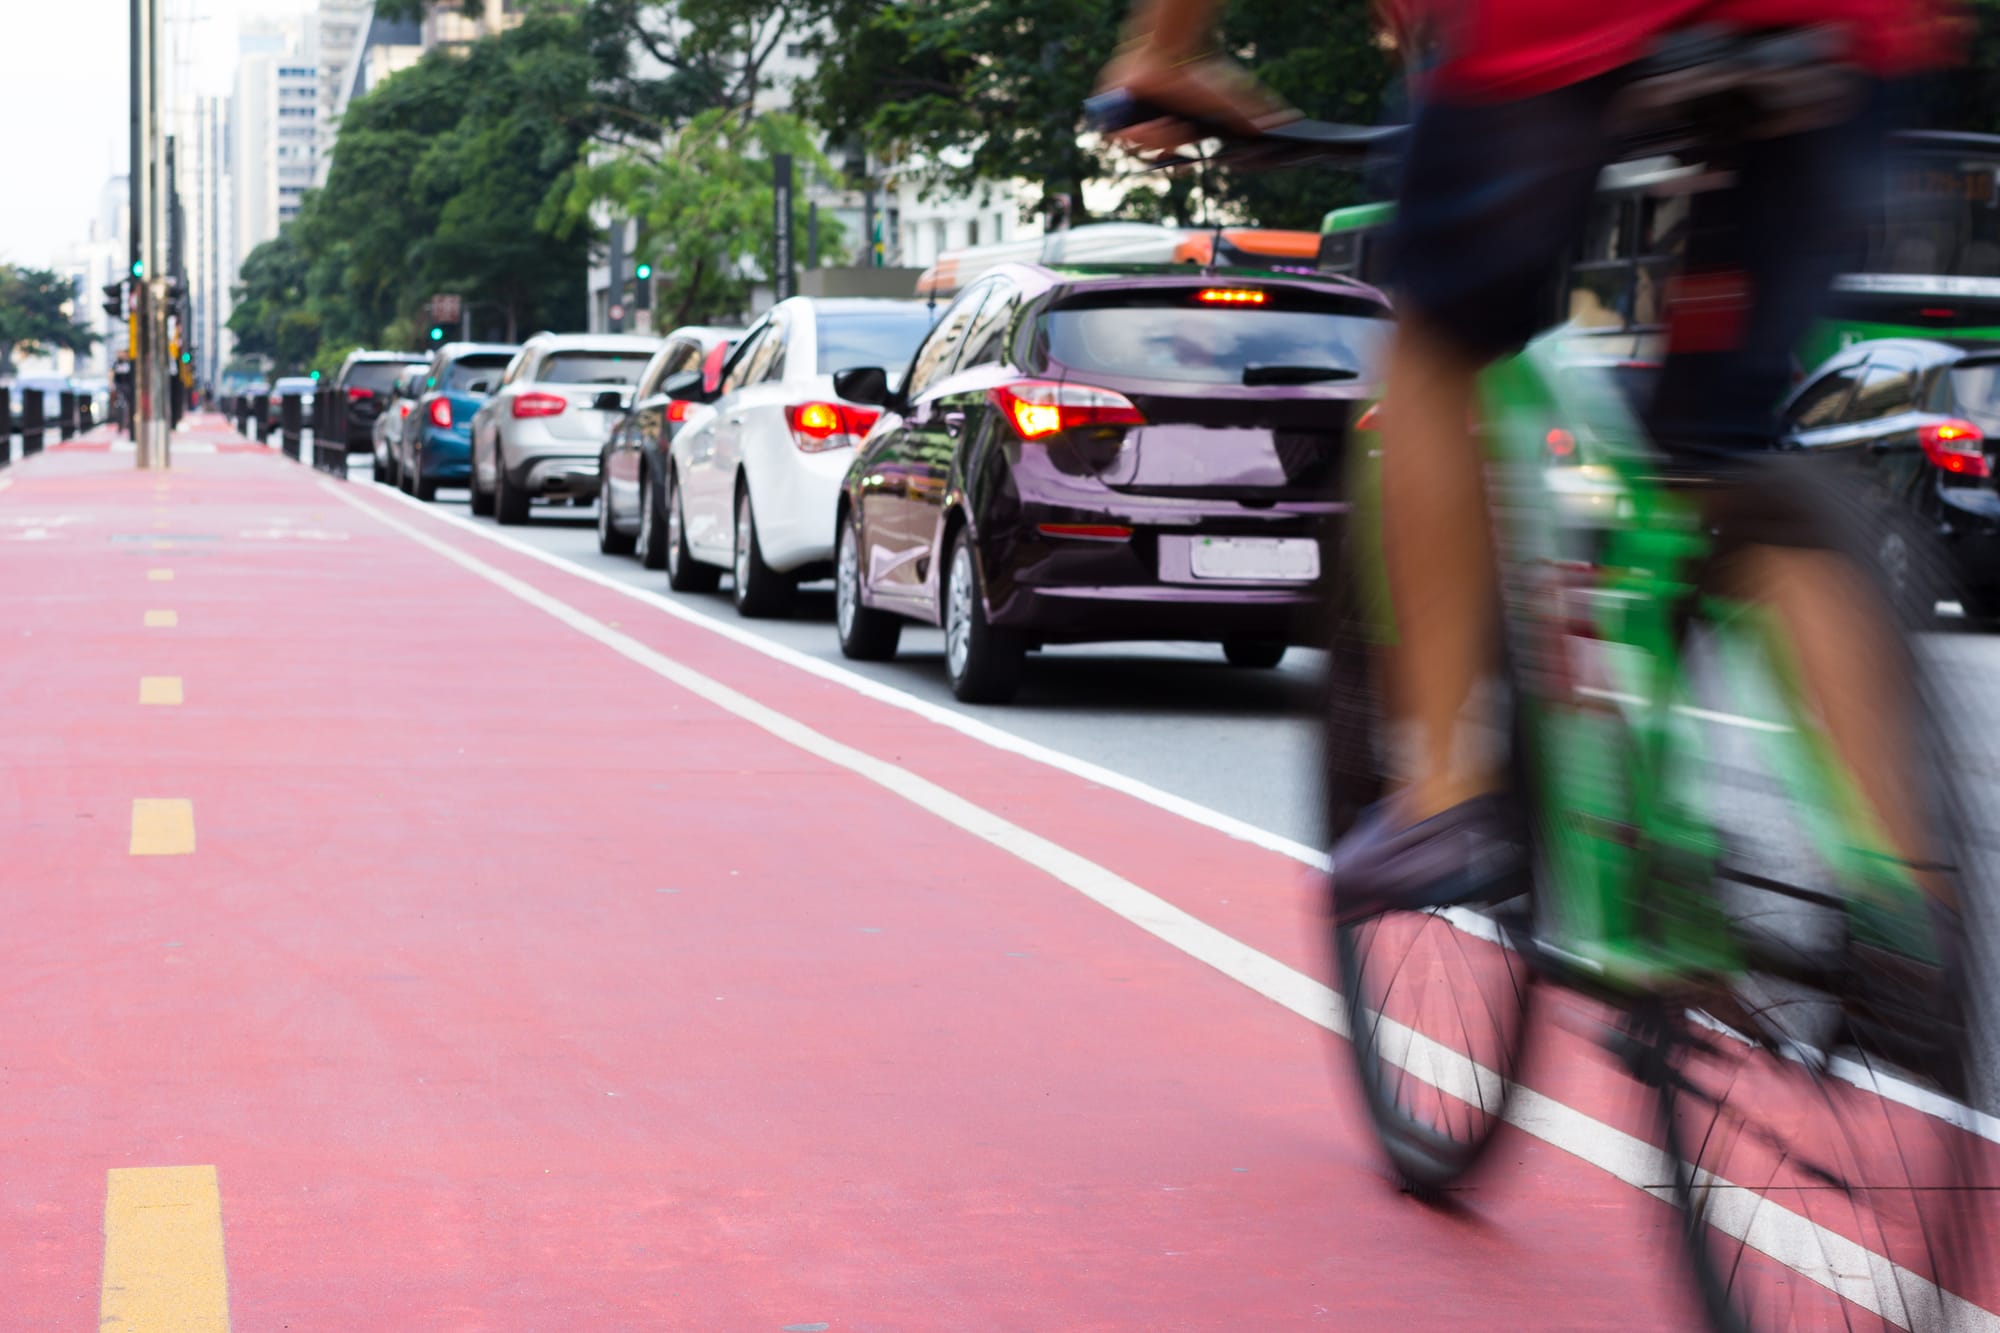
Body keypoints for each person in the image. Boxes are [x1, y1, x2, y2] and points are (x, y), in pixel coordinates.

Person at [1099, 0, 1958, 923]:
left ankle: (1441, 797)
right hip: (1847, 33)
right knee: (1730, 452)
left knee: (1435, 348)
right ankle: (1906, 908)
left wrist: (1164, 50)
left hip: (1555, 31)